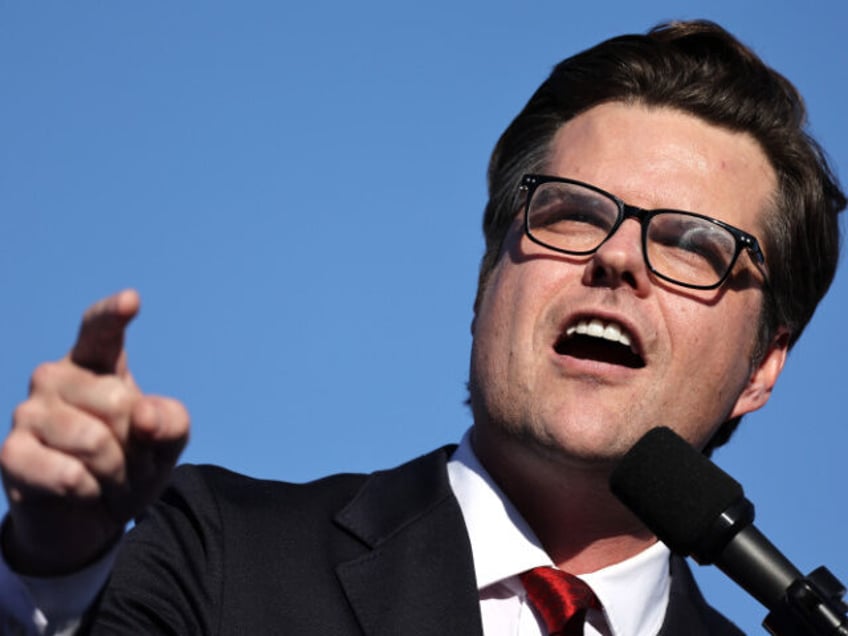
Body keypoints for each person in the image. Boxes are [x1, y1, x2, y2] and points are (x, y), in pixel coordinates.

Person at [0, 18, 844, 635]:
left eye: (693, 245)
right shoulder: (219, 556)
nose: (617, 259)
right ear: (487, 285)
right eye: (573, 214)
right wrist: (55, 565)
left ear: (765, 366)